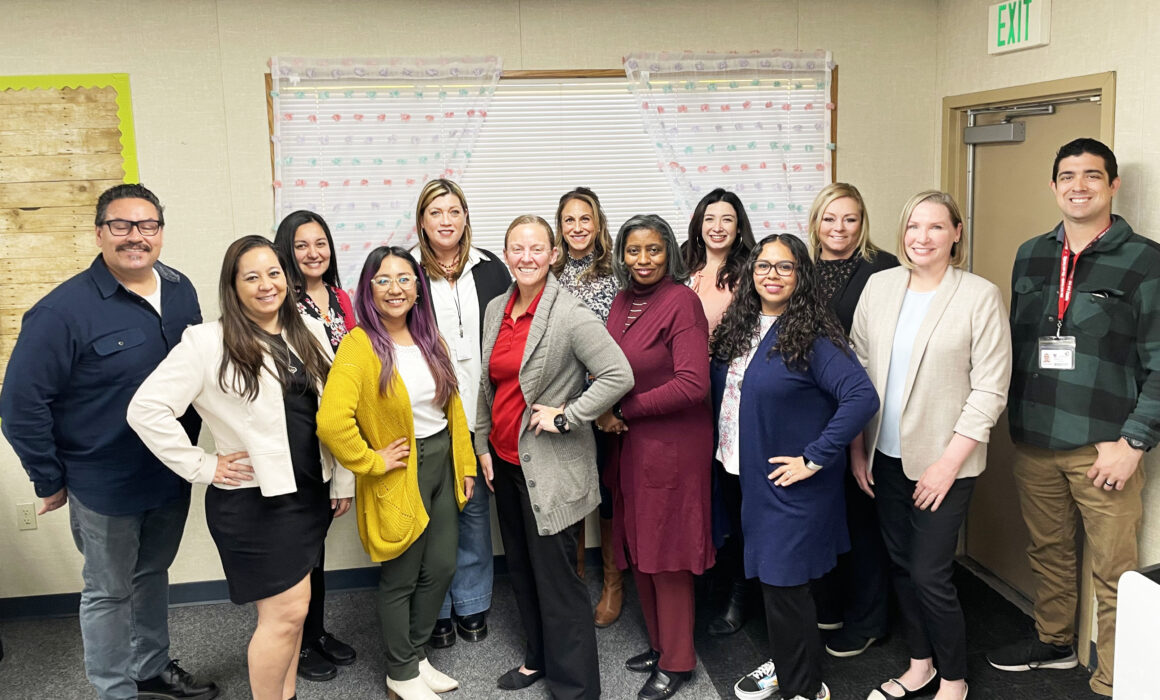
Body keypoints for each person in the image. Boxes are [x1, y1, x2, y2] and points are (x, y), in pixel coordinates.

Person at [0, 183, 219, 700]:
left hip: (169, 472)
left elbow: (198, 371)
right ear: (100, 232)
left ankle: (151, 670)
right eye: (121, 226)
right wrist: (49, 478)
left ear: (161, 233)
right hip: (104, 482)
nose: (135, 237)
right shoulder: (61, 312)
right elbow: (19, 405)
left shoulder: (180, 288)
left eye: (147, 226)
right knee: (107, 592)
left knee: (152, 574)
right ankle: (114, 691)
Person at [127, 235, 353, 700]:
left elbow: (331, 413)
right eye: (251, 276)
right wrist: (203, 465)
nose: (266, 284)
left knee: (295, 613)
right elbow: (145, 409)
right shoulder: (207, 341)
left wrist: (342, 478)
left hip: (307, 493)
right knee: (284, 617)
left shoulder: (303, 332)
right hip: (256, 504)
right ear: (233, 286)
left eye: (274, 273)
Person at [986, 138, 1160, 698]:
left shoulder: (1146, 260)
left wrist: (1133, 442)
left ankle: (1115, 678)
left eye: (1091, 176)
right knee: (1049, 552)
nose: (1078, 185)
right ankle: (1055, 643)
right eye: (1067, 175)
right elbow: (1015, 342)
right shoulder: (1032, 253)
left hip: (1105, 447)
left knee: (1115, 570)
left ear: (1113, 185)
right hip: (1035, 438)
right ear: (1054, 185)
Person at [850, 191, 1011, 700]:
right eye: (913, 226)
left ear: (956, 233)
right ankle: (919, 665)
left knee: (930, 572)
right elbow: (855, 371)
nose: (922, 237)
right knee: (900, 564)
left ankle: (955, 678)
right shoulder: (879, 285)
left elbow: (990, 389)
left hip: (946, 462)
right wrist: (858, 449)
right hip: (883, 456)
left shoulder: (978, 295)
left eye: (936, 227)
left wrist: (947, 464)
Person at [713, 234, 879, 700]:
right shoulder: (743, 326)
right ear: (750, 274)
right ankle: (790, 665)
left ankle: (804, 689)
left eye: (785, 267)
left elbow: (861, 396)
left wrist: (814, 457)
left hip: (791, 484)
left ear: (800, 276)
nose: (772, 274)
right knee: (778, 588)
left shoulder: (814, 336)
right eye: (763, 266)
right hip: (746, 477)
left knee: (784, 586)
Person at [476, 215, 632, 699]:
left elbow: (617, 374)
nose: (526, 257)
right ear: (506, 255)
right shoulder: (498, 308)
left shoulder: (568, 312)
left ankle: (576, 688)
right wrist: (482, 444)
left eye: (536, 248)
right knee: (521, 569)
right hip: (504, 461)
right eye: (517, 249)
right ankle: (538, 658)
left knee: (559, 583)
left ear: (552, 255)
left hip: (550, 468)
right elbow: (488, 385)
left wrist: (567, 415)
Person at [316, 246, 476, 700]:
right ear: (368, 289)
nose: (395, 288)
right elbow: (331, 420)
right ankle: (399, 672)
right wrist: (371, 461)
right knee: (402, 575)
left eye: (404, 279)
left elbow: (455, 408)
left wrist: (463, 463)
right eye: (383, 280)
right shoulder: (360, 344)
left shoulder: (430, 337)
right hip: (399, 470)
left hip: (443, 462)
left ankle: (416, 655)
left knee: (442, 566)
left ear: (418, 288)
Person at [597, 214, 715, 700]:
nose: (643, 260)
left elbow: (693, 382)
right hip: (630, 443)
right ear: (622, 254)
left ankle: (679, 661)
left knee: (667, 552)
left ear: (670, 252)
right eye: (633, 250)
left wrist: (624, 408)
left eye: (653, 250)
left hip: (672, 447)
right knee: (640, 544)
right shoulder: (622, 300)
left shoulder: (682, 302)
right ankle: (661, 644)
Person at [411, 178, 511, 647]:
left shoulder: (490, 268)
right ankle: (438, 609)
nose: (446, 221)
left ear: (466, 216)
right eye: (436, 213)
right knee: (433, 513)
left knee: (473, 509)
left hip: (482, 406)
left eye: (454, 211)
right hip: (429, 410)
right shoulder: (406, 269)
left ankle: (471, 603)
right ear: (423, 221)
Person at [806, 183, 899, 657]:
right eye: (830, 218)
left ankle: (869, 621)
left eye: (850, 219)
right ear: (816, 221)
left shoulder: (882, 269)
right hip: (812, 408)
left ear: (863, 222)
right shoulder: (802, 267)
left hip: (859, 404)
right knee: (828, 514)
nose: (839, 228)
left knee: (862, 519)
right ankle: (834, 606)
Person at [272, 209, 357, 681]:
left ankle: (317, 633)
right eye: (302, 245)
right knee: (298, 549)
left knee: (317, 546)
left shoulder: (342, 298)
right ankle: (297, 643)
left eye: (320, 243)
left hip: (336, 433)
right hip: (298, 438)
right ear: (287, 249)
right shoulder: (282, 301)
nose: (313, 253)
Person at [679, 188, 758, 639]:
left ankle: (739, 593)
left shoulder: (748, 272)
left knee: (733, 494)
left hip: (728, 392)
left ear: (738, 225)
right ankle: (702, 585)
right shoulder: (683, 269)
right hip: (686, 397)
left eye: (727, 219)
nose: (718, 227)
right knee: (699, 491)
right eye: (711, 218)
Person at [550, 186, 623, 626]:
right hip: (561, 402)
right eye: (568, 220)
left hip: (604, 401)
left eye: (584, 219)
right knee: (573, 494)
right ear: (559, 227)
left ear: (597, 224)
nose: (577, 228)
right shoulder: (549, 271)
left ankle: (613, 584)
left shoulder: (616, 272)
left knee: (609, 496)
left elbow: (622, 345)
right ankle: (575, 579)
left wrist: (608, 404)